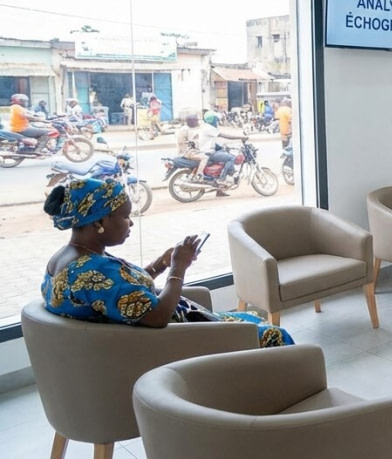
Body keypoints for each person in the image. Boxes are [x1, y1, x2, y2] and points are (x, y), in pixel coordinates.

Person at [40, 178, 292, 347]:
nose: (130, 223)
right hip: (177, 345)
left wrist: (160, 264)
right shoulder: (94, 272)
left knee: (251, 318)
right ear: (98, 223)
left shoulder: (70, 259)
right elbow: (158, 316)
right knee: (274, 335)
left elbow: (126, 296)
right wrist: (177, 268)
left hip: (176, 331)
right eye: (125, 216)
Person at [176, 114, 246, 197]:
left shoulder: (199, 128)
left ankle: (219, 190)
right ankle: (222, 180)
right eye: (216, 120)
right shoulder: (208, 128)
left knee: (222, 155)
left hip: (201, 150)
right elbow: (224, 135)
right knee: (231, 158)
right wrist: (241, 137)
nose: (217, 122)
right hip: (207, 152)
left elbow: (205, 141)